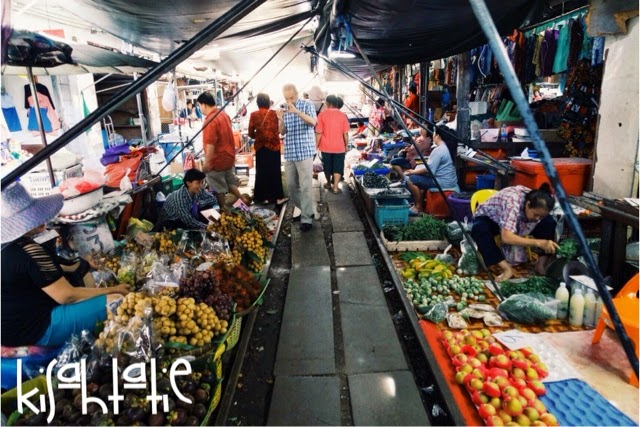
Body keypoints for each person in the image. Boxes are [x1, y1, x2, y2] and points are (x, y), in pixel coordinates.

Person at [0, 183, 129, 347]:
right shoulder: (29, 250)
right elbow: (66, 296)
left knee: (80, 272)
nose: (42, 221)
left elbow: (37, 271)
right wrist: (112, 290)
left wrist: (79, 264)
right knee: (117, 301)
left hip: (8, 329)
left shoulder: (7, 248)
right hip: (33, 329)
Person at [471, 184, 560, 281]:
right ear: (527, 204)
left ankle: (541, 264)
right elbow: (507, 237)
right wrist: (539, 242)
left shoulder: (537, 201)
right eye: (535, 214)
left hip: (517, 220)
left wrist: (541, 220)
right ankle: (507, 269)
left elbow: (540, 218)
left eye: (540, 216)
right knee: (479, 230)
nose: (537, 219)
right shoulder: (512, 202)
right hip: (492, 219)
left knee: (549, 222)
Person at [197, 91, 248, 209]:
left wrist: (206, 165)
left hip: (217, 161)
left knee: (218, 188)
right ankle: (243, 201)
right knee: (230, 183)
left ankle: (224, 211)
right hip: (229, 158)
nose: (200, 108)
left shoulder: (210, 120)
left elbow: (210, 146)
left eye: (199, 106)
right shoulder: (224, 115)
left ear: (204, 105)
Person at [277, 83, 317, 232]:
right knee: (292, 186)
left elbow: (313, 122)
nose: (289, 101)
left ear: (297, 94)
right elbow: (282, 132)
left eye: (291, 97)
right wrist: (280, 119)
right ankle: (307, 210)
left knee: (306, 186)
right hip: (290, 152)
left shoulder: (307, 104)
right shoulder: (284, 108)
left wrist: (297, 112)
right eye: (287, 98)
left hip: (305, 151)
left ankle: (306, 218)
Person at [405, 126, 458, 215]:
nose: (433, 136)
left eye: (434, 133)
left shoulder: (439, 150)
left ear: (438, 136)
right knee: (418, 178)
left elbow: (430, 171)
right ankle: (419, 204)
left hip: (442, 182)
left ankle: (418, 207)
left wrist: (413, 172)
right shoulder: (447, 148)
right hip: (450, 180)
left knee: (410, 180)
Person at [248, 93, 287, 205]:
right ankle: (277, 197)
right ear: (269, 102)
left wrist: (258, 137)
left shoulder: (253, 115)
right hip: (274, 147)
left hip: (260, 147)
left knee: (261, 172)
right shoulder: (275, 114)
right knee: (274, 171)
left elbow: (250, 132)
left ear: (257, 103)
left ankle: (261, 197)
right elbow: (280, 130)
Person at [316, 95, 350, 194]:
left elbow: (319, 132)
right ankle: (335, 187)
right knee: (338, 166)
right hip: (339, 147)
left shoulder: (322, 115)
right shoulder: (342, 115)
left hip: (325, 146)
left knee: (327, 165)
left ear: (327, 103)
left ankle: (328, 183)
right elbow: (346, 133)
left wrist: (316, 146)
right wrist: (346, 145)